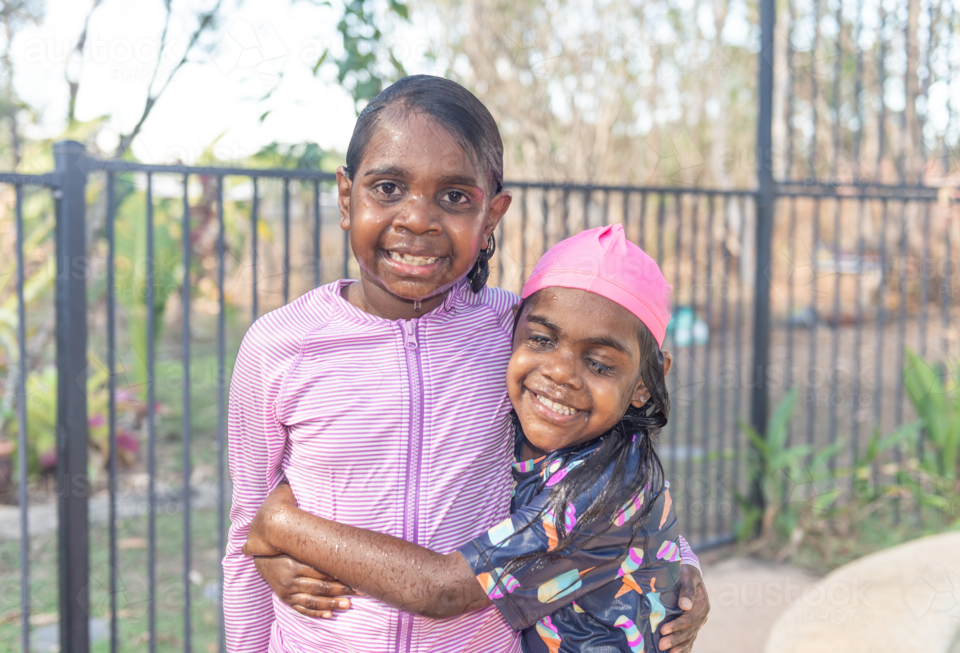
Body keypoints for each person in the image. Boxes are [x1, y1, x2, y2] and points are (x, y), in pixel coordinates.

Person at [223, 75, 709, 652]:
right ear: (347, 197)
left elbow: (611, 463)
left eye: (454, 197)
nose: (418, 219)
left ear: (492, 218)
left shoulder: (518, 336)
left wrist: (676, 564)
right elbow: (246, 530)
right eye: (388, 187)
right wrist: (270, 553)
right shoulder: (278, 346)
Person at [244, 224, 689, 652]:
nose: (560, 373)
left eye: (599, 364)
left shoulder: (608, 484)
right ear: (511, 332)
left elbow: (443, 590)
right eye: (541, 340)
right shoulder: (530, 427)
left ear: (645, 385)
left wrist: (282, 527)